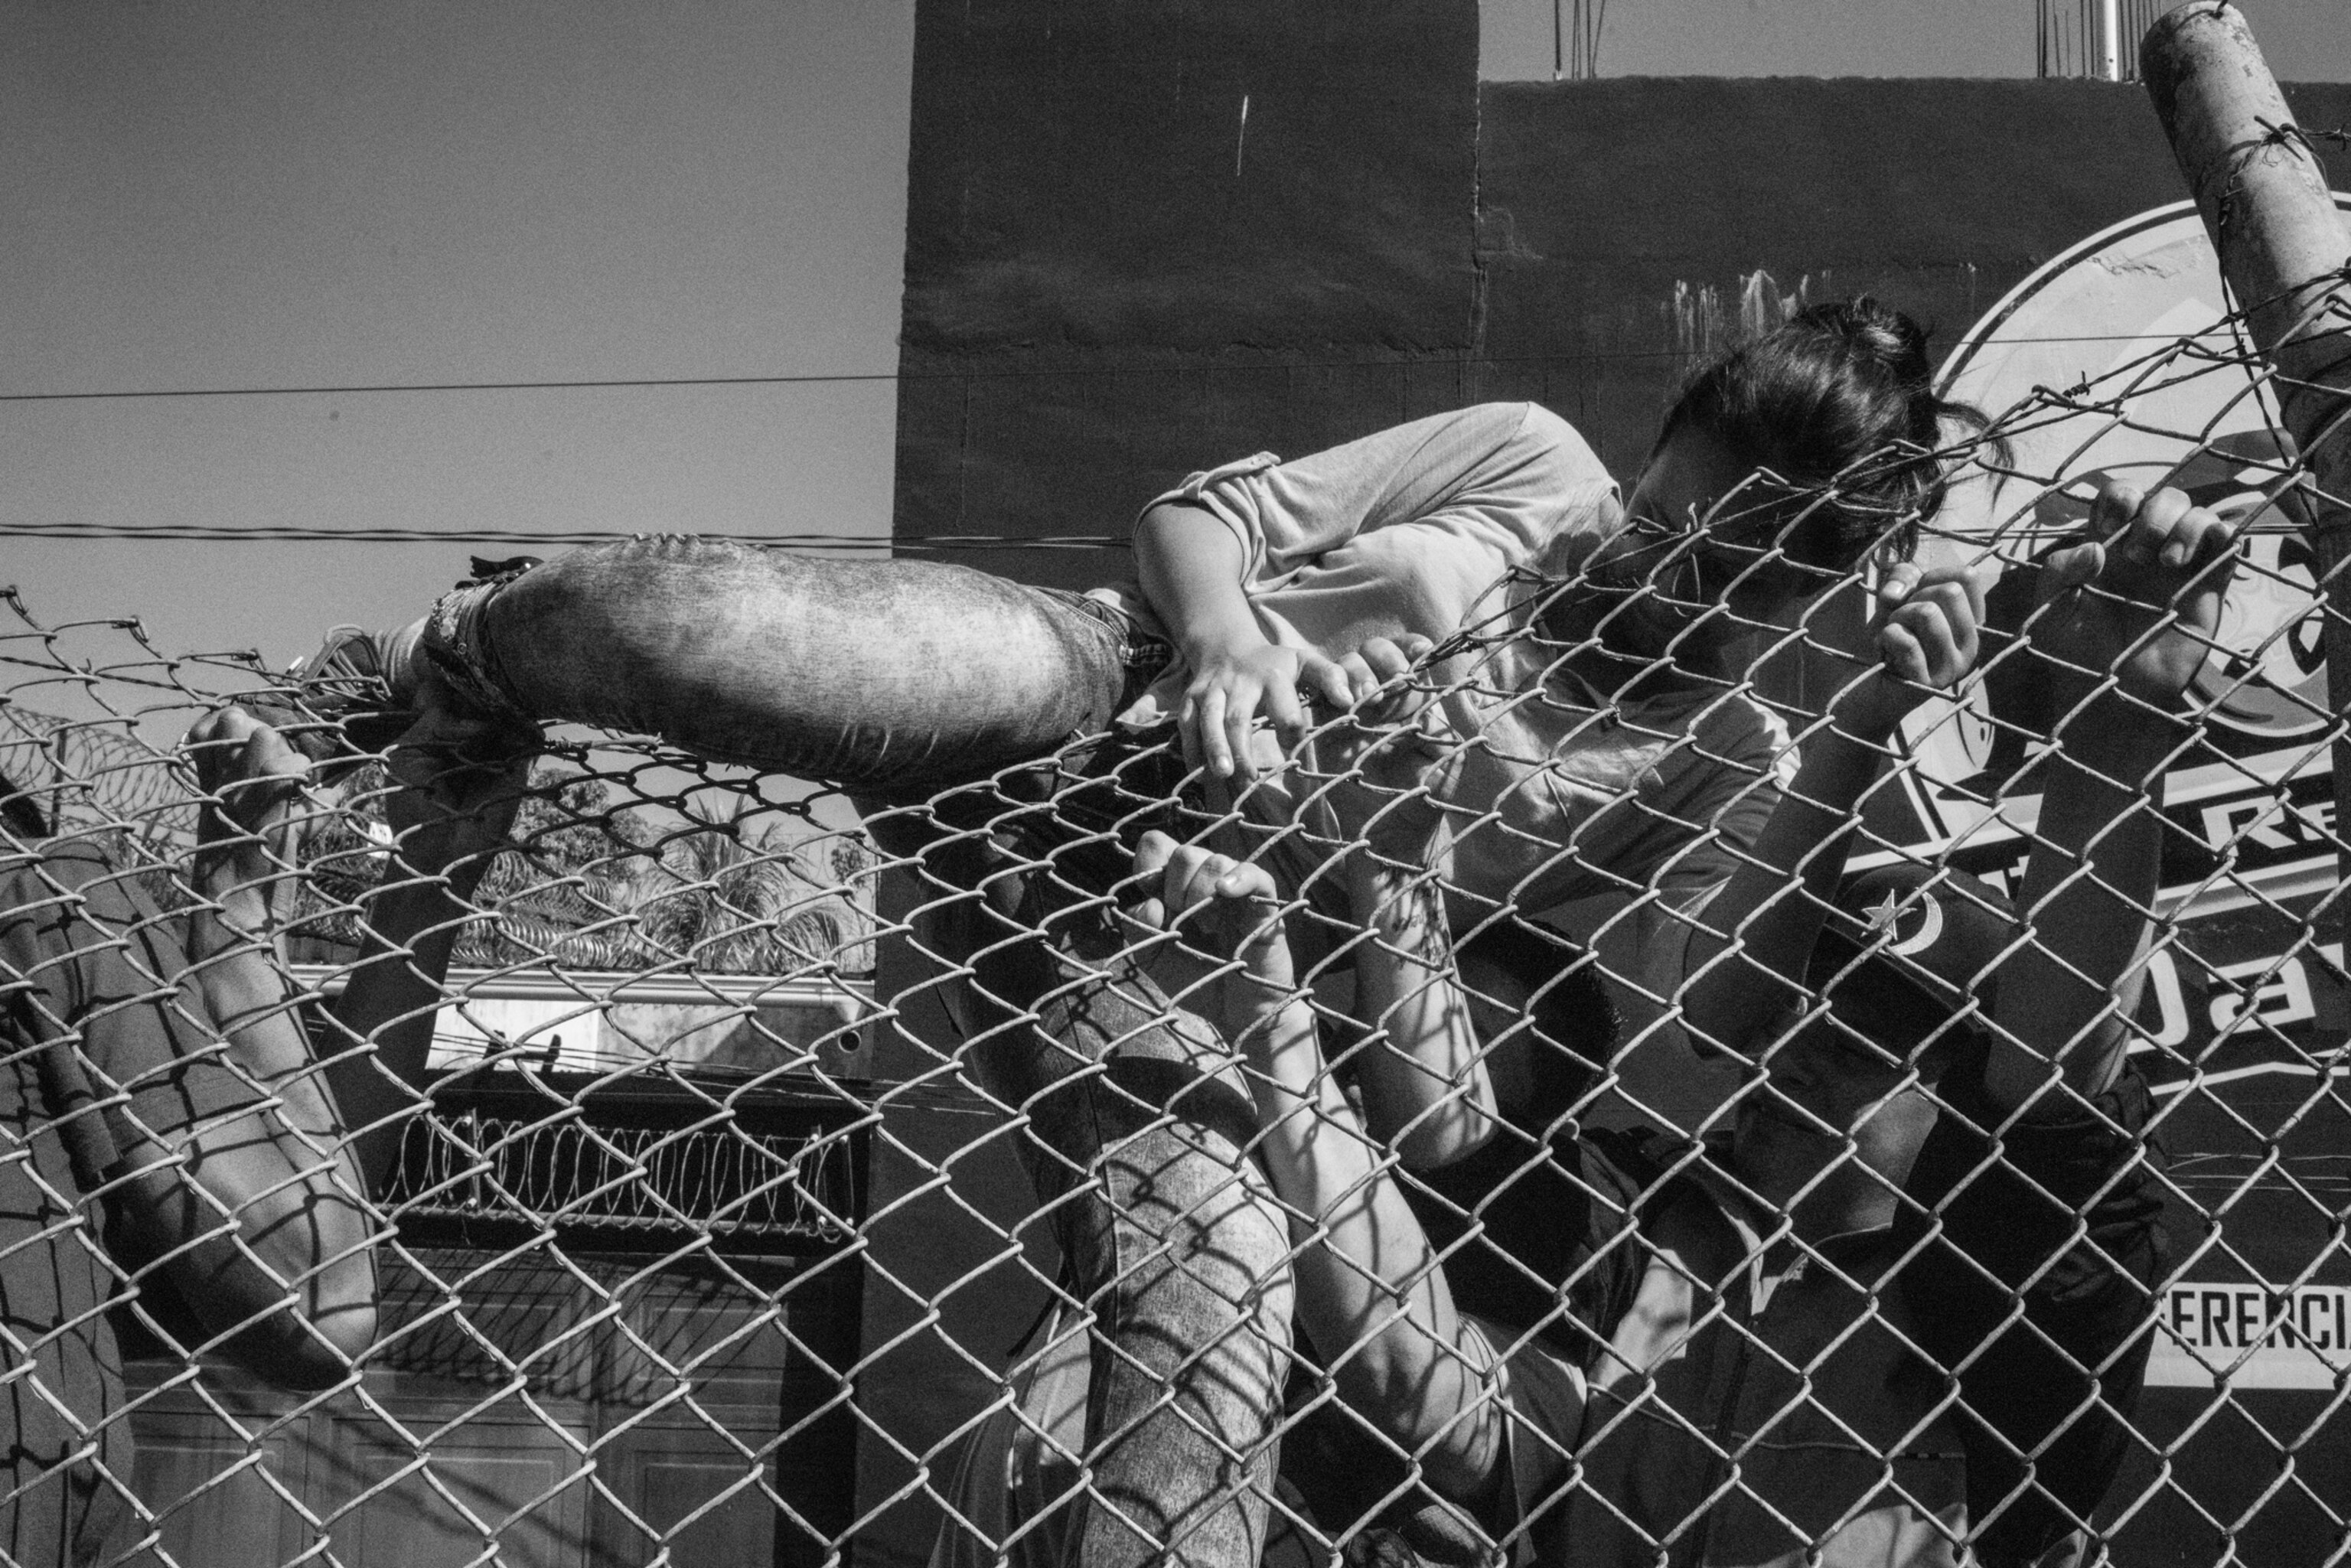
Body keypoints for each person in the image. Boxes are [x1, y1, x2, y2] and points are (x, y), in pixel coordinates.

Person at [294, 300, 1994, 1567]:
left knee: (1220, 1317)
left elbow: (1531, 1079)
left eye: (1738, 577)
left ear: (1803, 594)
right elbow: (1201, 519)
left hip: (1163, 957)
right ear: (1663, 442)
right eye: (1677, 519)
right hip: (1096, 695)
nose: (1676, 580)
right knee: (670, 622)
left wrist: (1378, 861)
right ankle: (458, 668)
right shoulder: (1529, 458)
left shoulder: (1724, 761)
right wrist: (1236, 641)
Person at [1130, 475, 2226, 1566]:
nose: (1802, 1047)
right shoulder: (1648, 1234)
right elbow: (1431, 1334)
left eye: (1866, 1043)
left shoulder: (1993, 1323)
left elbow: (2055, 1104)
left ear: (1957, 1098)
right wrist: (1308, 951)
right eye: (1802, 1008)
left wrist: (2117, 732)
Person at [0, 701, 527, 1567]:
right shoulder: (38, 894)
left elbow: (302, 1206)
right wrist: (235, 917)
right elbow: (318, 1294)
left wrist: (427, 880)